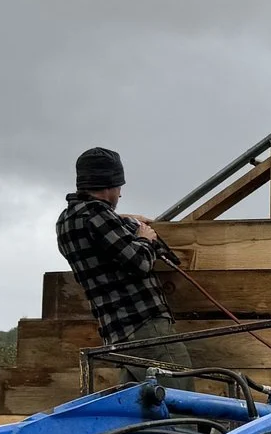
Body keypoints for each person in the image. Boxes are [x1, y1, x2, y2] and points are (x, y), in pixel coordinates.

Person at [56, 146, 192, 377]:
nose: (120, 194)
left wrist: (123, 218)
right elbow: (139, 262)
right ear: (109, 186)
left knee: (142, 404)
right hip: (145, 326)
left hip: (117, 332)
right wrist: (144, 238)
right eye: (119, 187)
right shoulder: (98, 217)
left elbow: (94, 225)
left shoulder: (66, 221)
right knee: (177, 395)